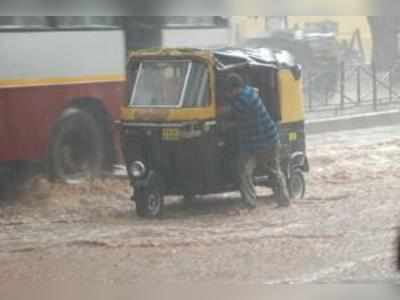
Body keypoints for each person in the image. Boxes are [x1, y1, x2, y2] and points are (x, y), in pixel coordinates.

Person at [225, 72, 290, 208]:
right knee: (274, 171)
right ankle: (283, 201)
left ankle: (250, 203)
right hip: (270, 139)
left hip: (259, 143)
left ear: (235, 89)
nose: (227, 94)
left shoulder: (243, 102)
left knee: (245, 172)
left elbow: (230, 113)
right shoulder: (250, 92)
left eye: (228, 91)